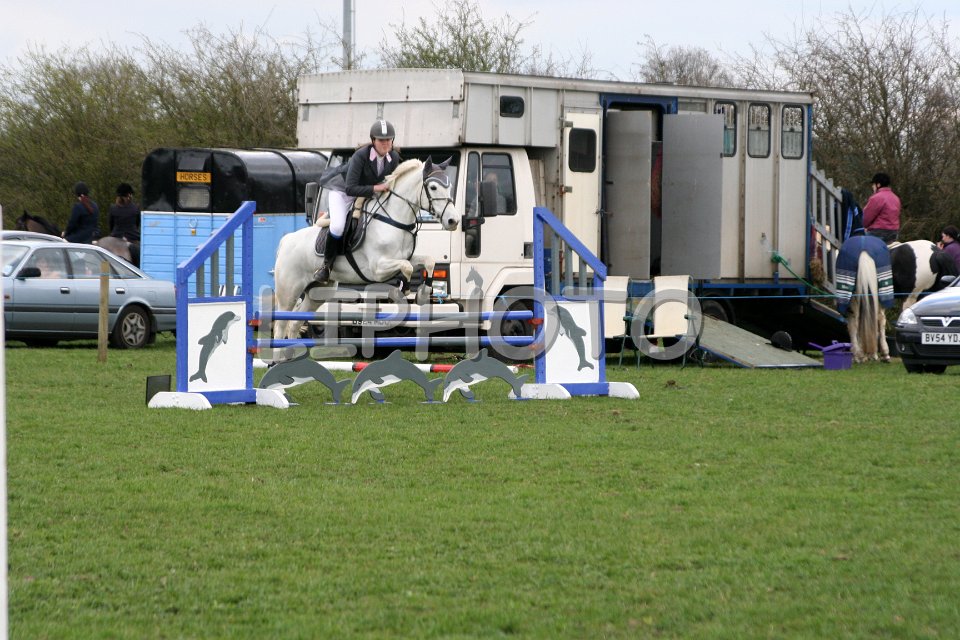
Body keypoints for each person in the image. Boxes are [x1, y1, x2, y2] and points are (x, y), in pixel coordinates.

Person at [312, 119, 401, 283]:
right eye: (381, 140)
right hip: (342, 193)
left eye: (389, 139)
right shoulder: (360, 156)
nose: (386, 143)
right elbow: (350, 188)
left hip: (367, 194)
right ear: (373, 140)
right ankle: (326, 266)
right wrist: (377, 188)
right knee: (338, 226)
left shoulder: (393, 157)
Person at [108, 182, 141, 266]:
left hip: (116, 239)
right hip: (133, 240)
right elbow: (137, 224)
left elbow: (111, 226)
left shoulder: (113, 208)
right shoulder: (136, 208)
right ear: (129, 195)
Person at [862, 172, 900, 244]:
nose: (872, 187)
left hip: (878, 233)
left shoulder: (876, 198)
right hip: (894, 233)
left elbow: (866, 218)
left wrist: (863, 226)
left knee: (858, 242)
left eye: (873, 185)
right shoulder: (896, 198)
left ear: (878, 185)